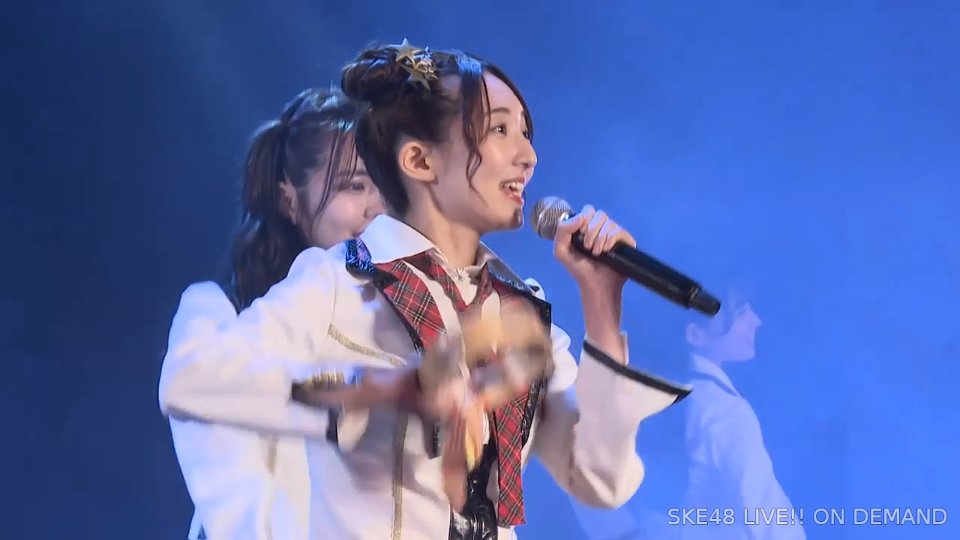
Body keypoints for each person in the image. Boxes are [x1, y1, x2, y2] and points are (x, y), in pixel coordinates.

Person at [159, 40, 688, 540]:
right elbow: (191, 382)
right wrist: (378, 392)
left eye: (526, 133)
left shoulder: (521, 311)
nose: (528, 156)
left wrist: (601, 303)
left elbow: (602, 481)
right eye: (500, 130)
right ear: (419, 161)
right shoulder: (340, 279)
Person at [163, 87, 384, 540]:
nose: (376, 208)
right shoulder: (216, 314)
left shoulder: (395, 321)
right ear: (290, 199)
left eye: (386, 186)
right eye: (355, 185)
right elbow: (232, 496)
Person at [571, 282, 806, 540]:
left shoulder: (631, 392)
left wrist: (627, 533)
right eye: (739, 314)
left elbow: (586, 477)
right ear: (694, 334)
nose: (755, 321)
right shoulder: (724, 412)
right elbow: (768, 513)